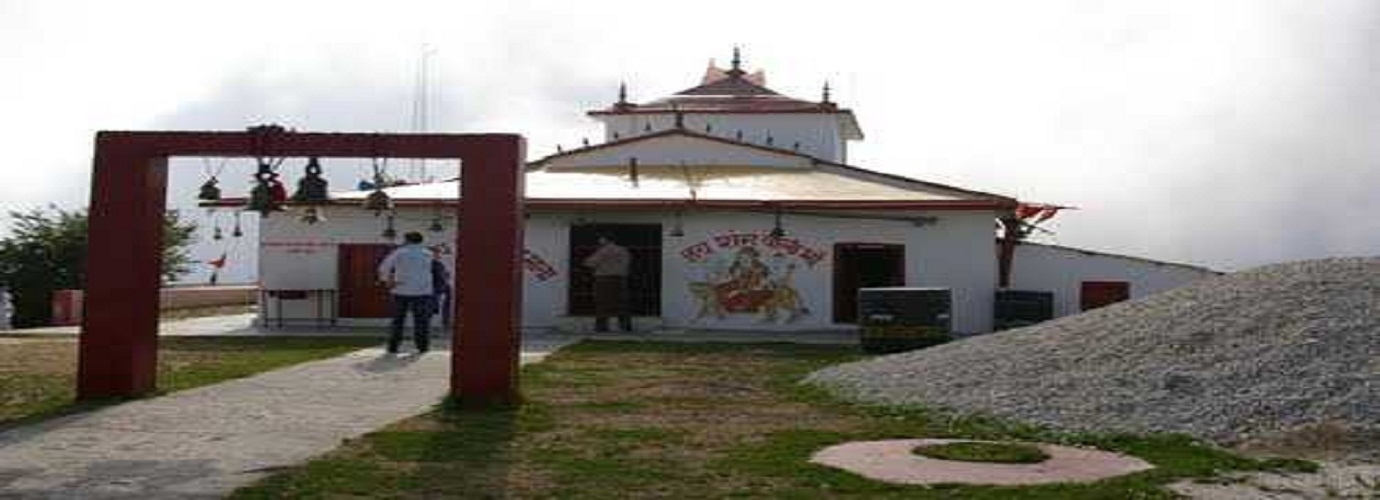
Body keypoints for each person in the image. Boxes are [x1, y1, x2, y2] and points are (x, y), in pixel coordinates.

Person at [377, 231, 435, 353]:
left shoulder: (400, 252)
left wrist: (387, 281)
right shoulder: (428, 253)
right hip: (423, 291)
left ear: (407, 240)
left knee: (397, 320)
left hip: (401, 290)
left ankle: (393, 347)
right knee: (422, 321)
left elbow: (383, 267)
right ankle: (423, 347)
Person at [582, 236, 632, 332]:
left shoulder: (603, 250)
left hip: (604, 279)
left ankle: (601, 327)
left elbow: (589, 263)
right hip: (621, 279)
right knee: (622, 303)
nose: (599, 242)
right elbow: (627, 263)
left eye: (601, 240)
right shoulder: (623, 250)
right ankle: (625, 326)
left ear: (606, 240)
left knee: (602, 303)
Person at [430, 247, 453, 331]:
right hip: (434, 287)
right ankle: (444, 322)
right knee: (434, 306)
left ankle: (445, 322)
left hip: (441, 286)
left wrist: (446, 277)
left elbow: (444, 276)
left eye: (439, 253)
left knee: (446, 302)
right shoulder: (432, 263)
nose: (438, 254)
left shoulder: (440, 264)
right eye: (436, 253)